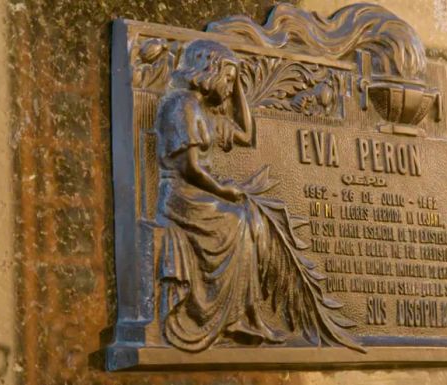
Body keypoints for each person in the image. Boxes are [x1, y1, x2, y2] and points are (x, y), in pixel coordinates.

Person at [154, 39, 361, 352]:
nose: (228, 85)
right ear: (208, 72)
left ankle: (245, 315)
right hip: (182, 195)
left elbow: (246, 135)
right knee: (237, 221)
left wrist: (237, 88)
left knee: (252, 220)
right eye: (226, 77)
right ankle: (224, 316)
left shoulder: (205, 113)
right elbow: (191, 167)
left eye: (231, 80)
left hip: (198, 192)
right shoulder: (181, 105)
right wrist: (224, 190)